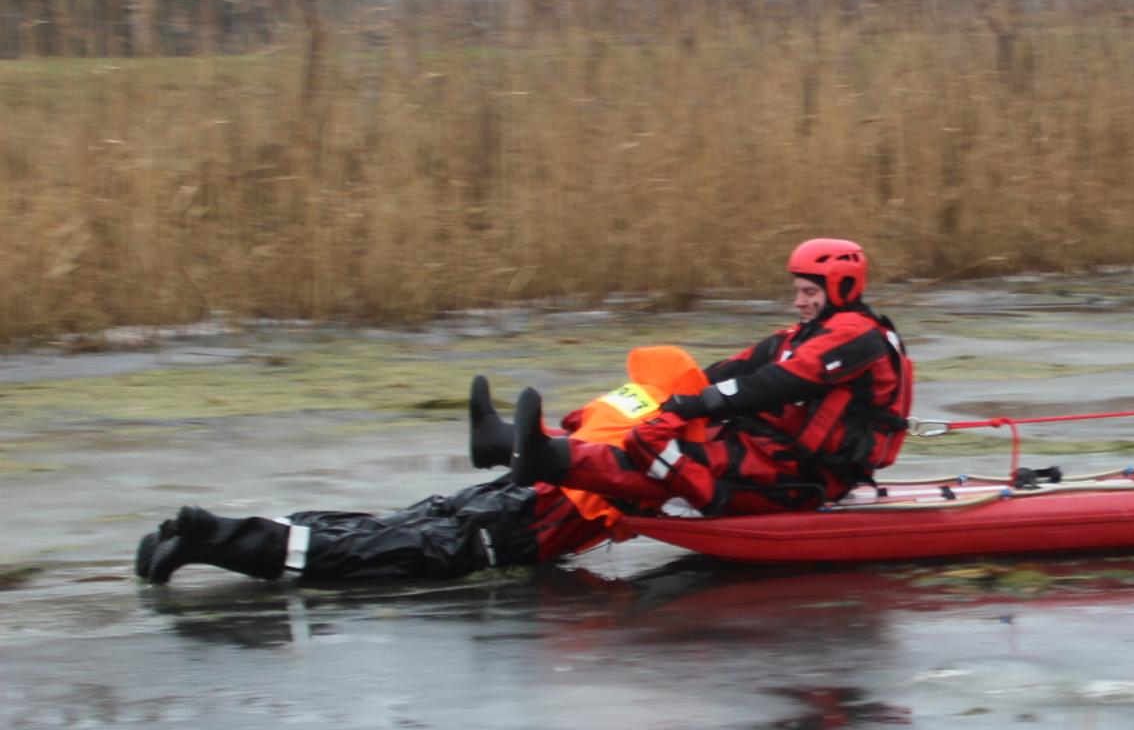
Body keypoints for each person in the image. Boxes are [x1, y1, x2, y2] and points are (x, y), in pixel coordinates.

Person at [134, 238, 912, 584]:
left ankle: (211, 537)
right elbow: (732, 376)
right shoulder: (790, 337)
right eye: (798, 285)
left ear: (842, 288)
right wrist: (688, 399)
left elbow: (775, 387)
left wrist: (698, 404)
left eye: (809, 286)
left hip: (792, 475)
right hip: (538, 509)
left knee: (401, 534)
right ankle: (526, 441)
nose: (798, 296)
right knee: (403, 533)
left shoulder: (855, 340)